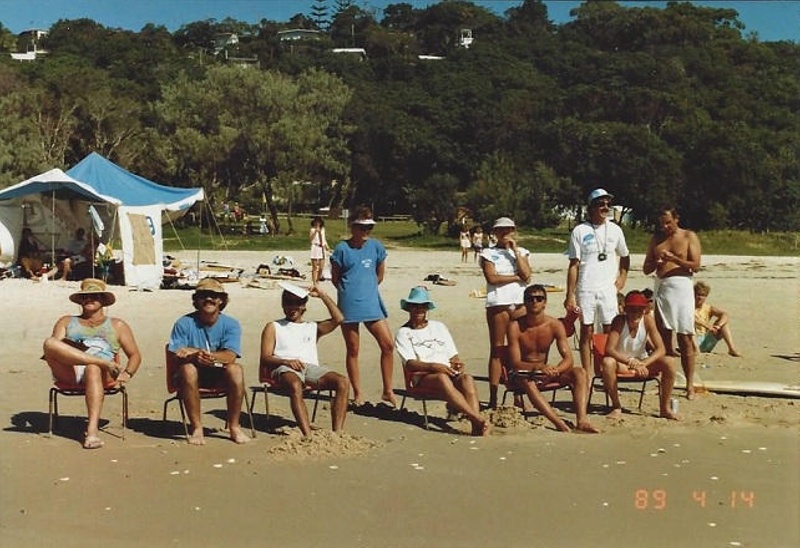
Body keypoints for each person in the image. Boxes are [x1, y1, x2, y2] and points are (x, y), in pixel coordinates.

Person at [42, 278, 141, 449]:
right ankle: (100, 362)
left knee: (93, 369)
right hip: (71, 369)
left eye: (94, 296)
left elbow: (135, 355)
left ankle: (92, 431)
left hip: (103, 374)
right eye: (84, 297)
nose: (88, 299)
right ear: (80, 300)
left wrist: (128, 373)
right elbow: (54, 350)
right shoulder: (66, 321)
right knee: (49, 343)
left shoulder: (117, 325)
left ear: (103, 300)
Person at [395, 286, 491, 436]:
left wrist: (457, 363)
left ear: (427, 308)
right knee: (441, 378)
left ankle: (476, 426)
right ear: (409, 308)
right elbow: (410, 363)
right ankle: (476, 418)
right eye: (415, 306)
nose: (419, 310)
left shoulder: (439, 327)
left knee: (467, 379)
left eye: (423, 306)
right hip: (422, 376)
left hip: (447, 372)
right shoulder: (404, 332)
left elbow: (453, 355)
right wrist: (434, 366)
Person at [167, 277, 250, 445]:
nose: (209, 299)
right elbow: (177, 354)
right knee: (188, 369)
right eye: (204, 295)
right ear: (196, 300)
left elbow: (230, 355)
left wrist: (206, 355)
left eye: (214, 295)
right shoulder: (184, 323)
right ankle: (197, 428)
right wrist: (194, 356)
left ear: (221, 300)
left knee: (236, 369)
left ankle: (234, 426)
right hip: (189, 374)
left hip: (218, 370)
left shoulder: (231, 324)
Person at [259, 282, 349, 436]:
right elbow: (266, 357)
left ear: (304, 306)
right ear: (283, 305)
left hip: (309, 368)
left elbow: (339, 319)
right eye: (288, 303)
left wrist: (322, 295)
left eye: (297, 303)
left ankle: (337, 433)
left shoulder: (312, 327)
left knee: (342, 381)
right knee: (295, 383)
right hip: (283, 367)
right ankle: (307, 434)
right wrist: (286, 361)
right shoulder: (274, 326)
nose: (292, 307)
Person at [506, 284, 599, 433]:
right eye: (530, 299)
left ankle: (582, 420)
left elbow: (568, 358)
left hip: (545, 373)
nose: (534, 302)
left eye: (539, 298)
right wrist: (538, 368)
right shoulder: (515, 327)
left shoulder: (554, 325)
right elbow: (516, 363)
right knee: (528, 382)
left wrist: (556, 370)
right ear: (525, 302)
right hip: (523, 373)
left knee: (579, 372)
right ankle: (557, 422)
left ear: (545, 302)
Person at [330, 206, 396, 407]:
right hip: (349, 302)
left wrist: (367, 289)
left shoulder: (376, 247)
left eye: (368, 227)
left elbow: (379, 275)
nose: (365, 231)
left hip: (371, 301)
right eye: (361, 227)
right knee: (353, 348)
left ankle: (388, 389)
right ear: (353, 226)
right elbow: (335, 278)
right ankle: (358, 392)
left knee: (387, 344)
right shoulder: (342, 248)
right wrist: (351, 290)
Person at [564, 188, 630, 378]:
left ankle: (605, 367)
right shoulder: (580, 230)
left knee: (610, 328)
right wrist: (570, 294)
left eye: (608, 204)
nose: (605, 207)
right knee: (587, 330)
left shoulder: (615, 229)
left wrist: (622, 278)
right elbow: (573, 264)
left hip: (608, 288)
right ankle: (588, 371)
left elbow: (625, 256)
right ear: (591, 207)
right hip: (586, 287)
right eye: (601, 204)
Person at [643, 207, 702, 399]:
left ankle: (689, 385)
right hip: (662, 287)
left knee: (684, 338)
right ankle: (666, 380)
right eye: (662, 223)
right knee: (663, 337)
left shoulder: (688, 236)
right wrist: (657, 264)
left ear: (676, 219)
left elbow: (696, 266)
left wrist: (675, 259)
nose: (665, 227)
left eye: (668, 222)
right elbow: (646, 268)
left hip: (682, 287)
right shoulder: (656, 239)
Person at [600, 291, 679, 420]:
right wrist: (630, 361)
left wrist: (644, 363)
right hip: (623, 363)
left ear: (644, 310)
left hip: (642, 362)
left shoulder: (648, 321)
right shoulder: (619, 321)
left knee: (669, 362)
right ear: (626, 310)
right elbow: (609, 349)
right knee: (608, 362)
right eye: (632, 309)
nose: (635, 313)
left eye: (639, 310)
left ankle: (665, 408)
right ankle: (616, 406)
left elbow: (661, 349)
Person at [480, 216, 531, 409]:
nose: (505, 233)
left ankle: (519, 393)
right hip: (498, 303)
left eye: (508, 229)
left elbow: (527, 274)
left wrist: (515, 251)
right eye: (501, 230)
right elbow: (492, 277)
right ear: (495, 233)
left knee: (519, 349)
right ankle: (493, 397)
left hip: (519, 302)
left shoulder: (522, 252)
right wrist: (516, 277)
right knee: (497, 349)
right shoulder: (488, 253)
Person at [694, 281, 741, 356]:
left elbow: (725, 314)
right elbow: (691, 319)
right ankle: (696, 351)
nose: (700, 297)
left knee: (724, 324)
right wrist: (707, 326)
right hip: (692, 340)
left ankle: (731, 349)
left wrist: (718, 326)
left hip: (705, 340)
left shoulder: (708, 308)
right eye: (698, 294)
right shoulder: (688, 307)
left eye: (703, 295)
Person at [309, 216, 329, 285]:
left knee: (321, 267)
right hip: (315, 247)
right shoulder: (312, 229)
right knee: (314, 267)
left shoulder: (323, 229)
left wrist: (327, 247)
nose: (317, 223)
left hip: (321, 248)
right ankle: (314, 282)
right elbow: (310, 239)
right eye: (316, 222)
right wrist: (315, 232)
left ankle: (318, 280)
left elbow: (324, 239)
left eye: (319, 222)